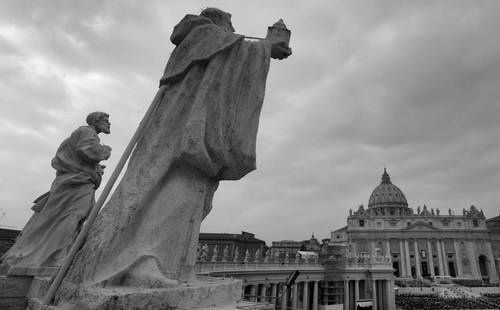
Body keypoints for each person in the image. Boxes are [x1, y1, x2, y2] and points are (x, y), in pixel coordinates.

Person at [58, 8, 291, 292]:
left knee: (194, 197)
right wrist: (264, 48)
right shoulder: (203, 33)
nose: (232, 31)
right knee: (176, 190)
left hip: (187, 132)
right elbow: (230, 50)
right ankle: (144, 261)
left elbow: (229, 56)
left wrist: (263, 49)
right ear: (219, 22)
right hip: (183, 132)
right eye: (230, 25)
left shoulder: (208, 40)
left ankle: (170, 265)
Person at [0, 112, 111, 276]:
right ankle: (55, 256)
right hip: (74, 184)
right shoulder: (86, 132)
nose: (109, 124)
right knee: (73, 215)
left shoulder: (86, 134)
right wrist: (105, 151)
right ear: (96, 121)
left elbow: (81, 158)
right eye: (106, 121)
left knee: (69, 217)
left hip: (78, 183)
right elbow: (88, 151)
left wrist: (96, 170)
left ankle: (55, 254)